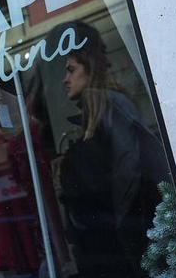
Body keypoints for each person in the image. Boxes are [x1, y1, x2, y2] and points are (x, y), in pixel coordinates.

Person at [57, 21, 169, 277]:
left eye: (71, 70)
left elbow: (128, 165)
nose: (65, 79)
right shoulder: (98, 110)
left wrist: (118, 223)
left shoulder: (110, 106)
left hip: (128, 238)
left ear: (90, 68)